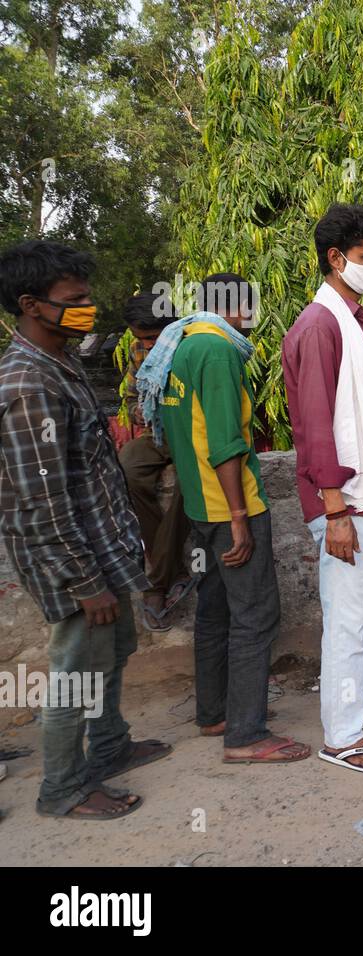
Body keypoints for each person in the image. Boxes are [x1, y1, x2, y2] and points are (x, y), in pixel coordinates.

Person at [0, 240, 172, 820]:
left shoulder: (61, 360)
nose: (88, 307)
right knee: (76, 670)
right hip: (74, 561)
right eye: (74, 299)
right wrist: (83, 581)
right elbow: (42, 501)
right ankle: (64, 789)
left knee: (113, 651)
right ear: (30, 304)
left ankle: (109, 746)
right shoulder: (28, 387)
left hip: (101, 546)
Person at [138, 273, 308, 764]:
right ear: (235, 306)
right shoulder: (216, 351)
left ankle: (214, 713)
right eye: (251, 305)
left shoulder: (181, 345)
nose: (254, 317)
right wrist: (239, 516)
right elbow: (225, 441)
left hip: (198, 508)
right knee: (255, 617)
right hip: (228, 506)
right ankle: (247, 734)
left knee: (215, 613)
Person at [282, 203, 363, 772]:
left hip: (361, 493)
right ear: (336, 259)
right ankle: (341, 735)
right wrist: (334, 509)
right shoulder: (320, 326)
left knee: (357, 610)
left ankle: (355, 705)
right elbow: (314, 425)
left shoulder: (351, 320)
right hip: (344, 499)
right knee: (346, 616)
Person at [116, 291, 195, 631]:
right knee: (128, 467)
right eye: (140, 339)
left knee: (187, 486)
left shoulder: (191, 348)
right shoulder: (137, 351)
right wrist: (142, 410)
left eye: (152, 338)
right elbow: (133, 399)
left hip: (190, 432)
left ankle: (156, 584)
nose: (146, 346)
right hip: (156, 431)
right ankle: (173, 570)